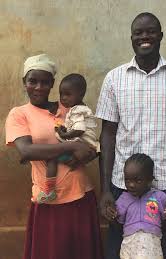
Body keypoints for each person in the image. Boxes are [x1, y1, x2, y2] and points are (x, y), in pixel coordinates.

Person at [96, 12, 166, 259]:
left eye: (150, 31)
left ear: (160, 36)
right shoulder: (114, 79)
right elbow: (107, 136)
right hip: (123, 185)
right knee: (119, 251)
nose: (144, 37)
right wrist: (106, 189)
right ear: (131, 38)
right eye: (138, 33)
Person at [5, 53, 103, 259]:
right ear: (24, 82)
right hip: (48, 199)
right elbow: (27, 150)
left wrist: (85, 150)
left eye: (45, 82)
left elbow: (89, 145)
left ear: (52, 84)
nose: (39, 87)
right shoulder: (19, 114)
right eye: (33, 81)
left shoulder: (70, 108)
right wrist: (70, 146)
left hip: (80, 194)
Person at [37, 73, 100, 203]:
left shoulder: (77, 110)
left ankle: (49, 190)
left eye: (67, 94)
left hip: (81, 143)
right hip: (82, 145)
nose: (63, 98)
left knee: (51, 157)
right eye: (61, 94)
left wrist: (65, 135)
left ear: (81, 94)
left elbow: (79, 129)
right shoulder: (77, 108)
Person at [107, 153, 166, 259]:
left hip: (151, 247)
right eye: (127, 180)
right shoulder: (123, 199)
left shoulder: (159, 197)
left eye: (138, 180)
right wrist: (112, 215)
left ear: (150, 180)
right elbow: (118, 224)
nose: (131, 185)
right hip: (129, 246)